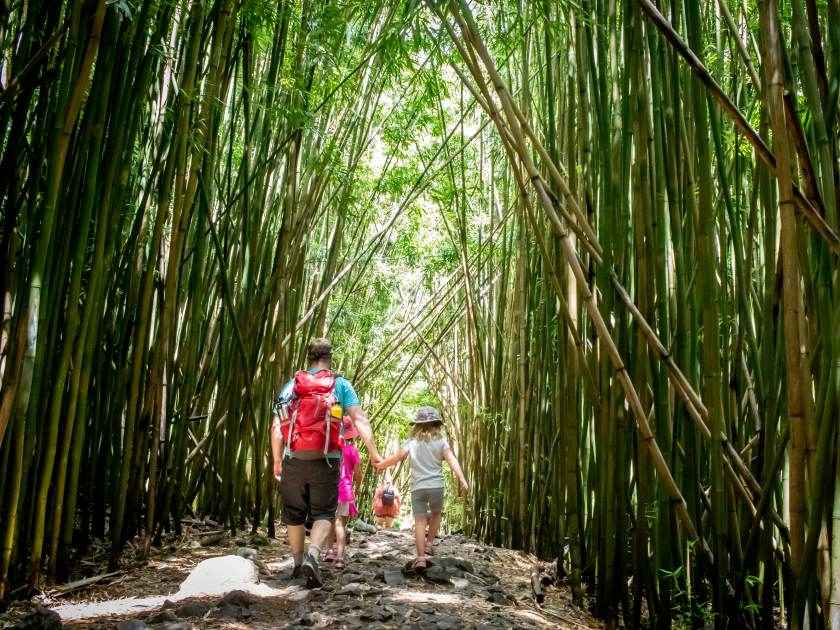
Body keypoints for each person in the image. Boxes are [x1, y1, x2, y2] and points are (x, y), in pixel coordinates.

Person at [270, 338, 381, 588]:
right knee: (323, 512)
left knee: (294, 514)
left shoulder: (292, 386)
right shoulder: (340, 385)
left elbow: (277, 427)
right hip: (327, 460)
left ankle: (298, 565)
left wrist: (277, 459)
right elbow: (359, 419)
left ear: (309, 357)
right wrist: (374, 453)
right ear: (330, 357)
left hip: (293, 457)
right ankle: (313, 554)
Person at [375, 406, 469, 570]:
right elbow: (452, 460)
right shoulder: (441, 442)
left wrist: (381, 465)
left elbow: (395, 458)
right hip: (436, 487)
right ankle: (429, 543)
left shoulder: (411, 443)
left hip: (417, 488)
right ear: (437, 425)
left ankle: (420, 558)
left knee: (419, 521)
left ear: (417, 425)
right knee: (436, 514)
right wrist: (462, 478)